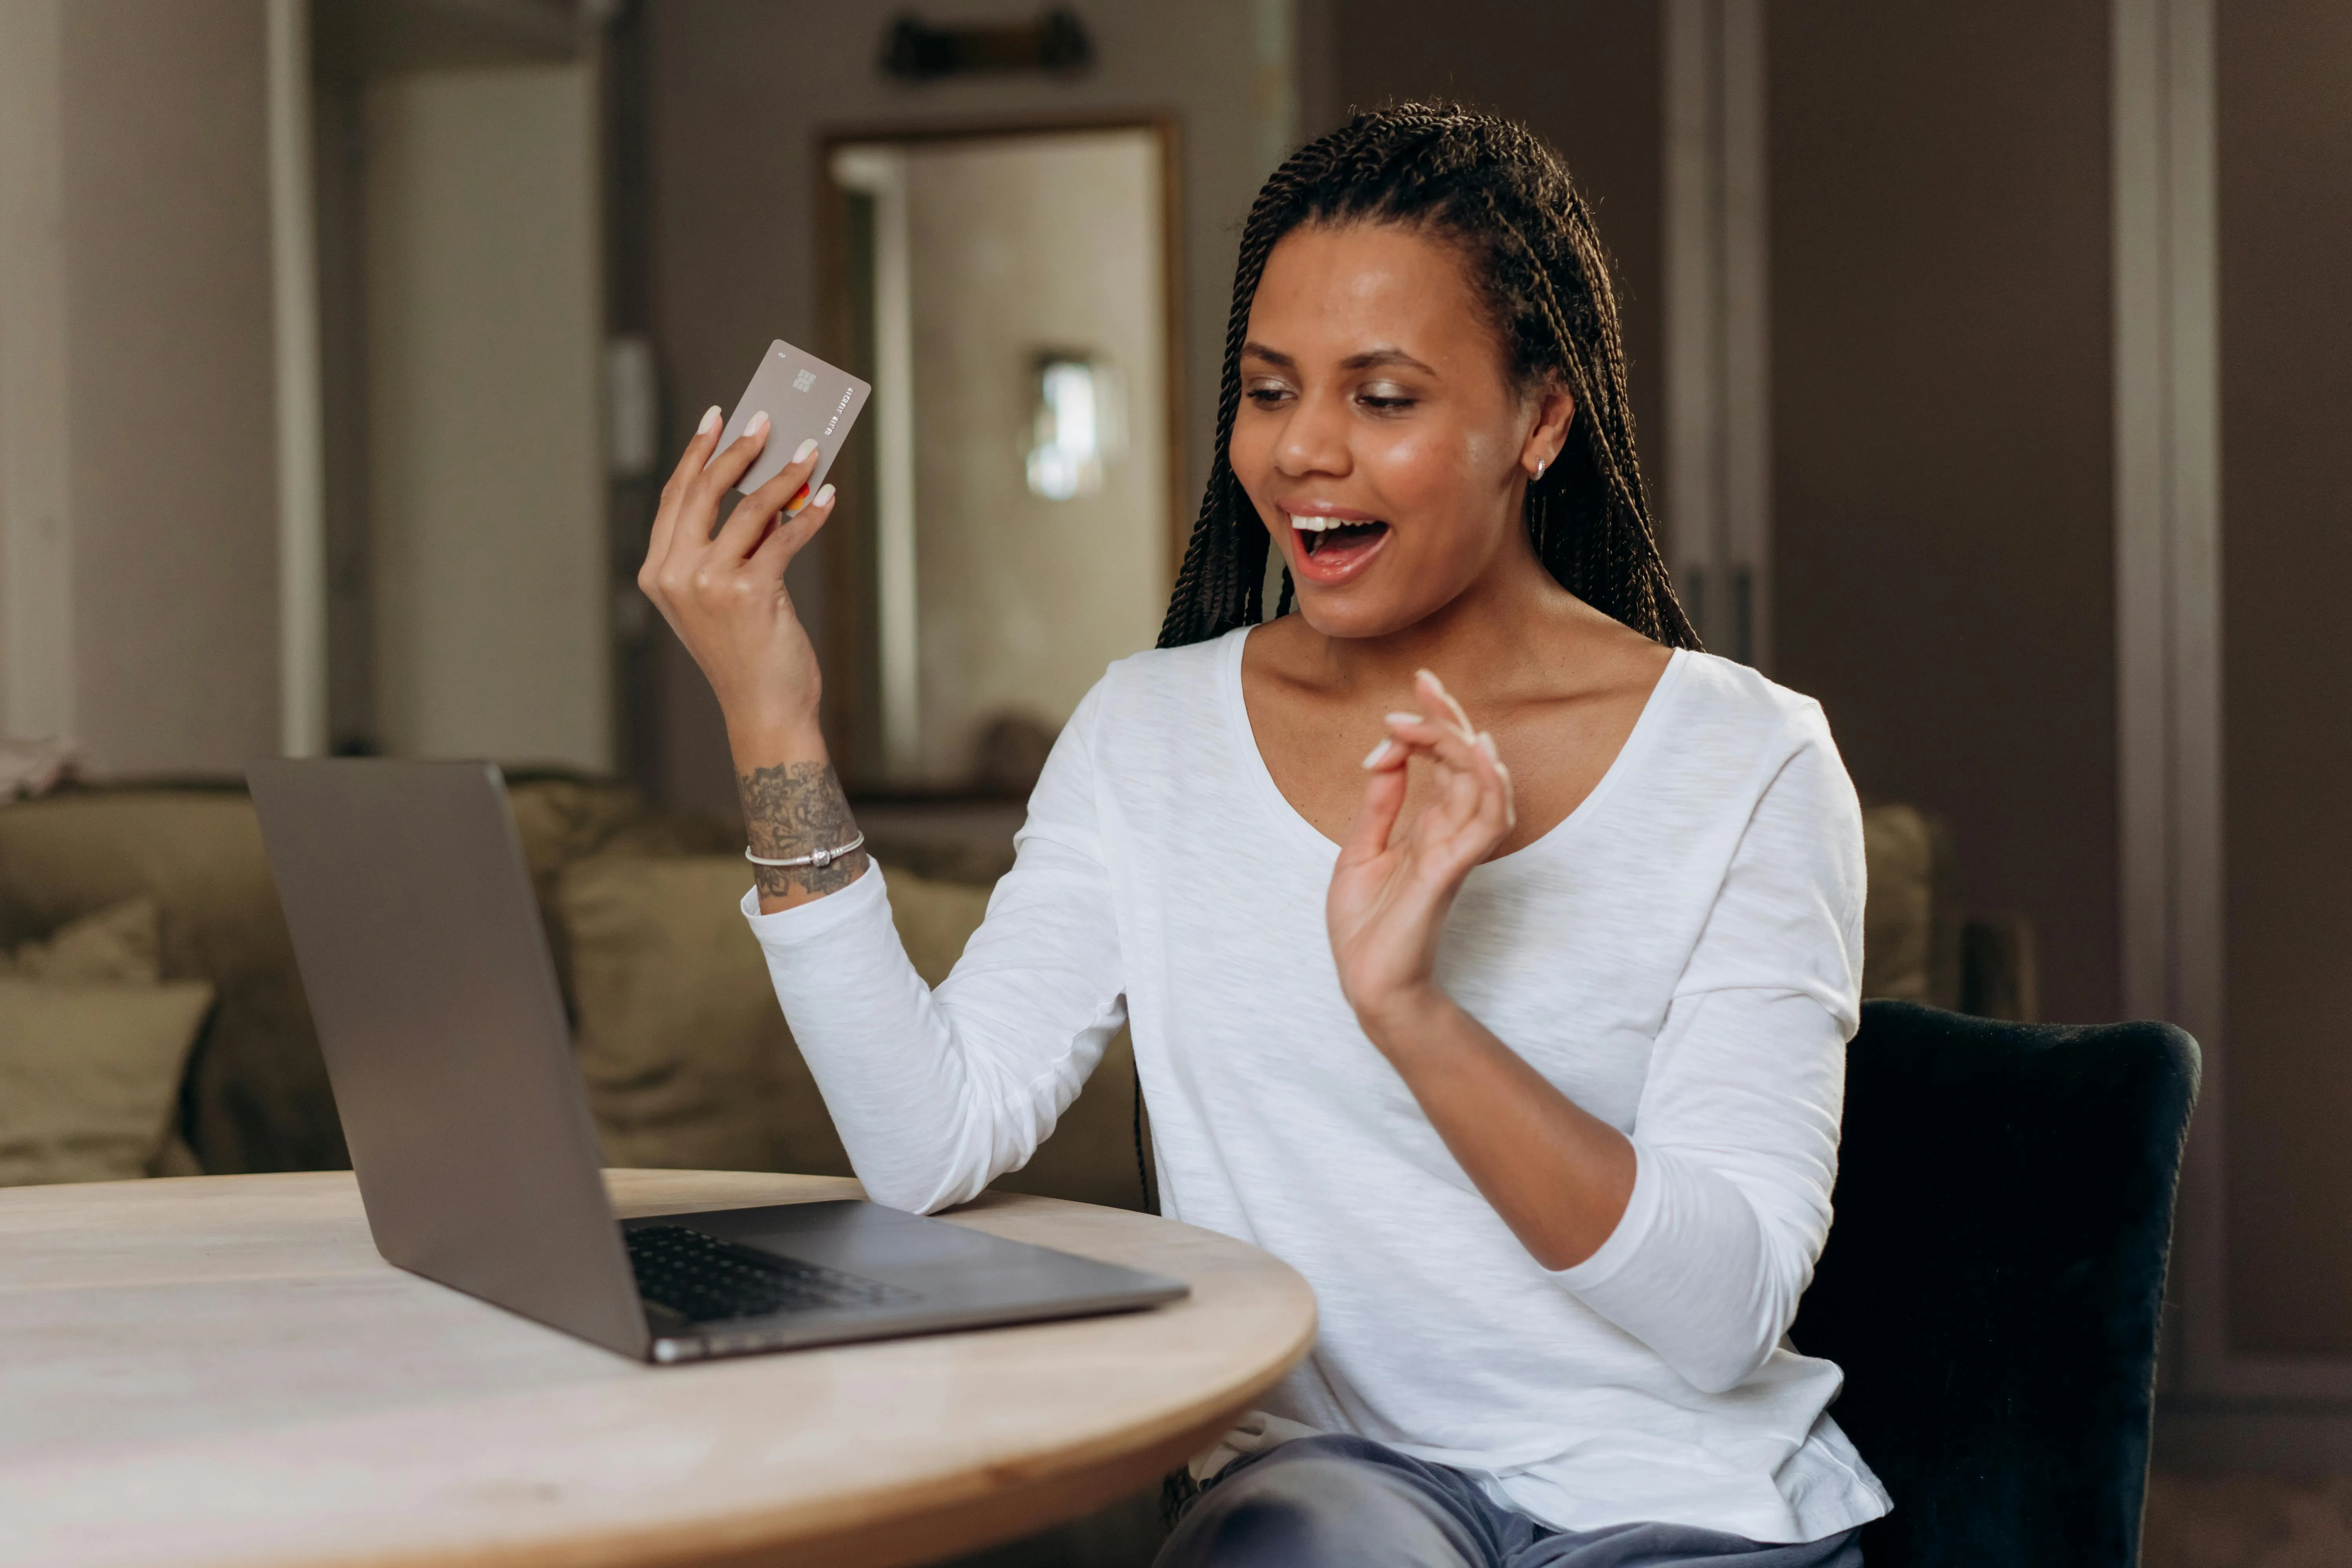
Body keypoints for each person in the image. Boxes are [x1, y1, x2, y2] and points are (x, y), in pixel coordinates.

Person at [638, 103, 1890, 1568]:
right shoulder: (1148, 735)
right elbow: (929, 1141)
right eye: (1271, 388)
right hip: (1338, 1495)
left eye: (1383, 398)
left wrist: (1409, 1010)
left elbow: (1725, 1306)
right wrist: (772, 725)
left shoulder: (1746, 759)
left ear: (1541, 419)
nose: (1304, 454)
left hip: (1678, 1502)